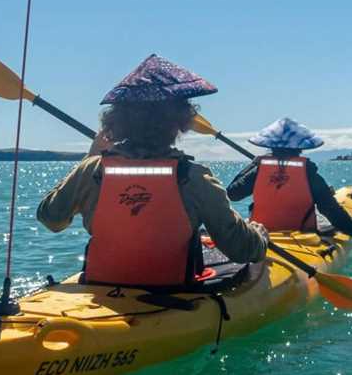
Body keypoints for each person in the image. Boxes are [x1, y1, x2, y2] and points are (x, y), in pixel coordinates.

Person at [37, 55, 269, 289]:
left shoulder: (91, 169)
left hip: (101, 287)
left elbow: (51, 219)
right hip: (171, 294)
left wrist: (90, 157)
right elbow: (241, 249)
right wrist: (259, 235)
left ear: (116, 121)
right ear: (180, 122)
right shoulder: (195, 178)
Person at [226, 118, 352, 241]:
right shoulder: (309, 173)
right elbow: (336, 216)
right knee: (326, 221)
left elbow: (232, 194)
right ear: (300, 148)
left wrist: (253, 165)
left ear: (270, 147)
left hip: (263, 229)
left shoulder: (258, 170)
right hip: (301, 231)